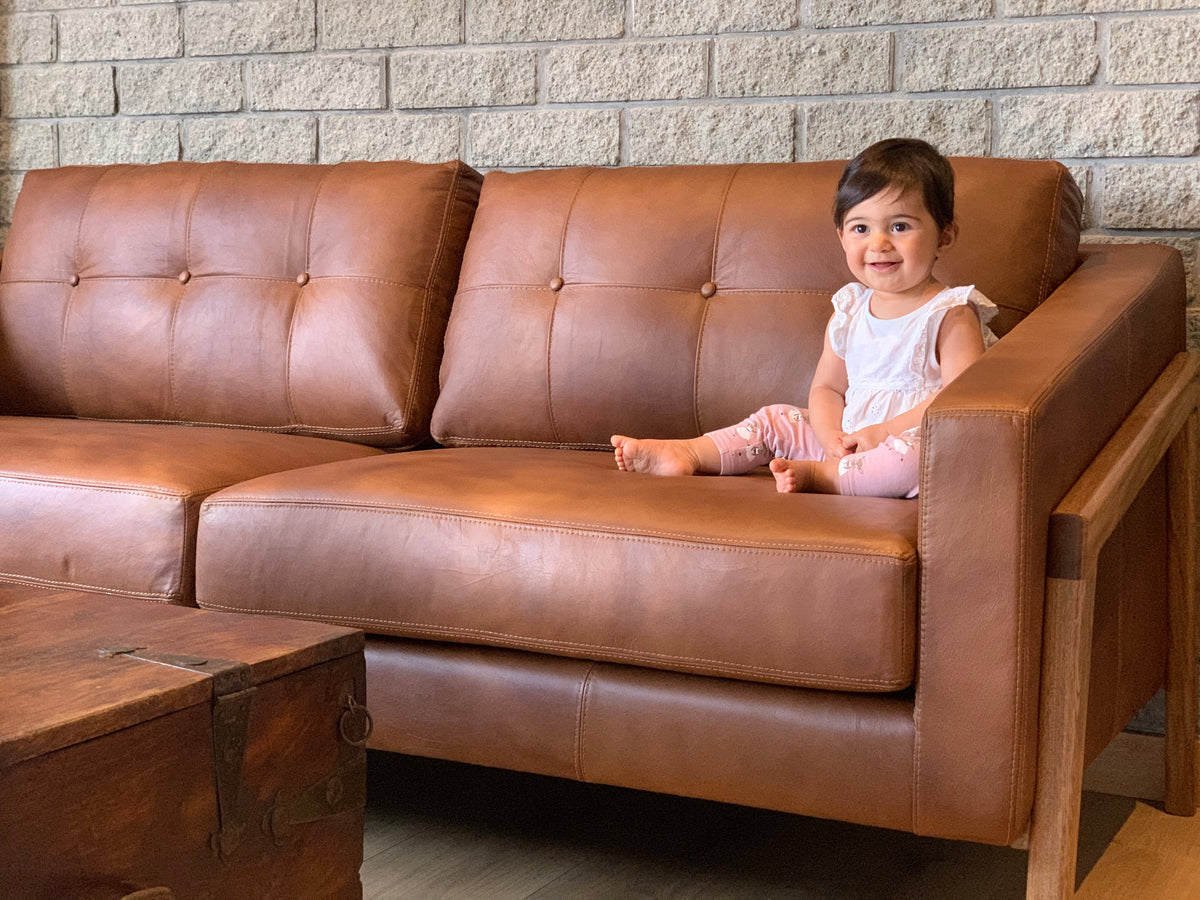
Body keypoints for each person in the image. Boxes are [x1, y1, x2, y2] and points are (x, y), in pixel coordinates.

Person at [610, 137, 997, 499]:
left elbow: (958, 400)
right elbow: (827, 390)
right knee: (776, 418)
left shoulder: (950, 313)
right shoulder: (849, 311)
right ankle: (689, 454)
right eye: (860, 228)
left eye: (899, 226)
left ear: (944, 236)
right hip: (845, 440)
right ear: (842, 237)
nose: (879, 244)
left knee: (919, 456)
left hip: (905, 442)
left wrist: (882, 433)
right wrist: (830, 436)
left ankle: (824, 477)